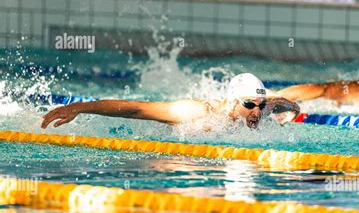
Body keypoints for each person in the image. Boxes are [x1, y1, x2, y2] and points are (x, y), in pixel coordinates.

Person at [41, 73, 300, 130]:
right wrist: (78, 107)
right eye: (249, 104)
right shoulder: (197, 112)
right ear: (233, 101)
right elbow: (135, 109)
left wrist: (292, 108)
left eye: (261, 105)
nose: (257, 111)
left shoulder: (259, 110)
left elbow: (282, 102)